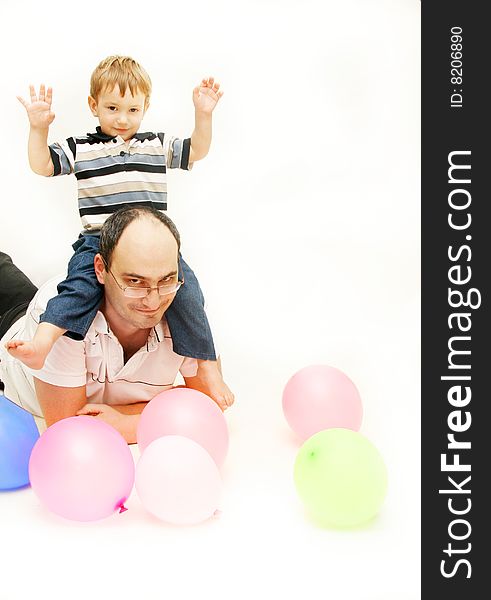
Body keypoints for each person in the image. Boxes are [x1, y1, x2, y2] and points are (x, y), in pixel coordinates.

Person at [6, 55, 228, 405]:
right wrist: (38, 129)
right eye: (112, 108)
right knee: (77, 291)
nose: (122, 119)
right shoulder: (82, 147)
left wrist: (203, 115)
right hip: (98, 240)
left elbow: (197, 150)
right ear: (93, 105)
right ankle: (43, 342)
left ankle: (207, 364)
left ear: (145, 107)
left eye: (132, 110)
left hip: (151, 247)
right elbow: (42, 165)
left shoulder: (156, 144)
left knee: (189, 295)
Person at [0, 206, 235, 442]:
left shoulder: (184, 310)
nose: (153, 301)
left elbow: (207, 403)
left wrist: (128, 422)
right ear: (100, 269)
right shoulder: (60, 317)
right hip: (9, 331)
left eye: (166, 279)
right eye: (135, 281)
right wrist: (163, 414)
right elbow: (69, 428)